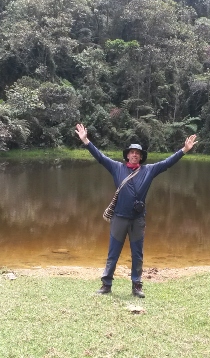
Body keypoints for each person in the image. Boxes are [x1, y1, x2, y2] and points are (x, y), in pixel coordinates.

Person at [75, 123, 197, 298]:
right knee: (113, 253)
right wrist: (86, 141)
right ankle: (106, 284)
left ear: (141, 157)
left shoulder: (149, 170)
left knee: (137, 254)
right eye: (132, 152)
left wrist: (184, 150)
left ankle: (136, 286)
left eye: (137, 153)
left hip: (138, 220)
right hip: (119, 218)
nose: (134, 155)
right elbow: (100, 157)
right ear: (127, 155)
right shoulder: (117, 168)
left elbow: (167, 163)